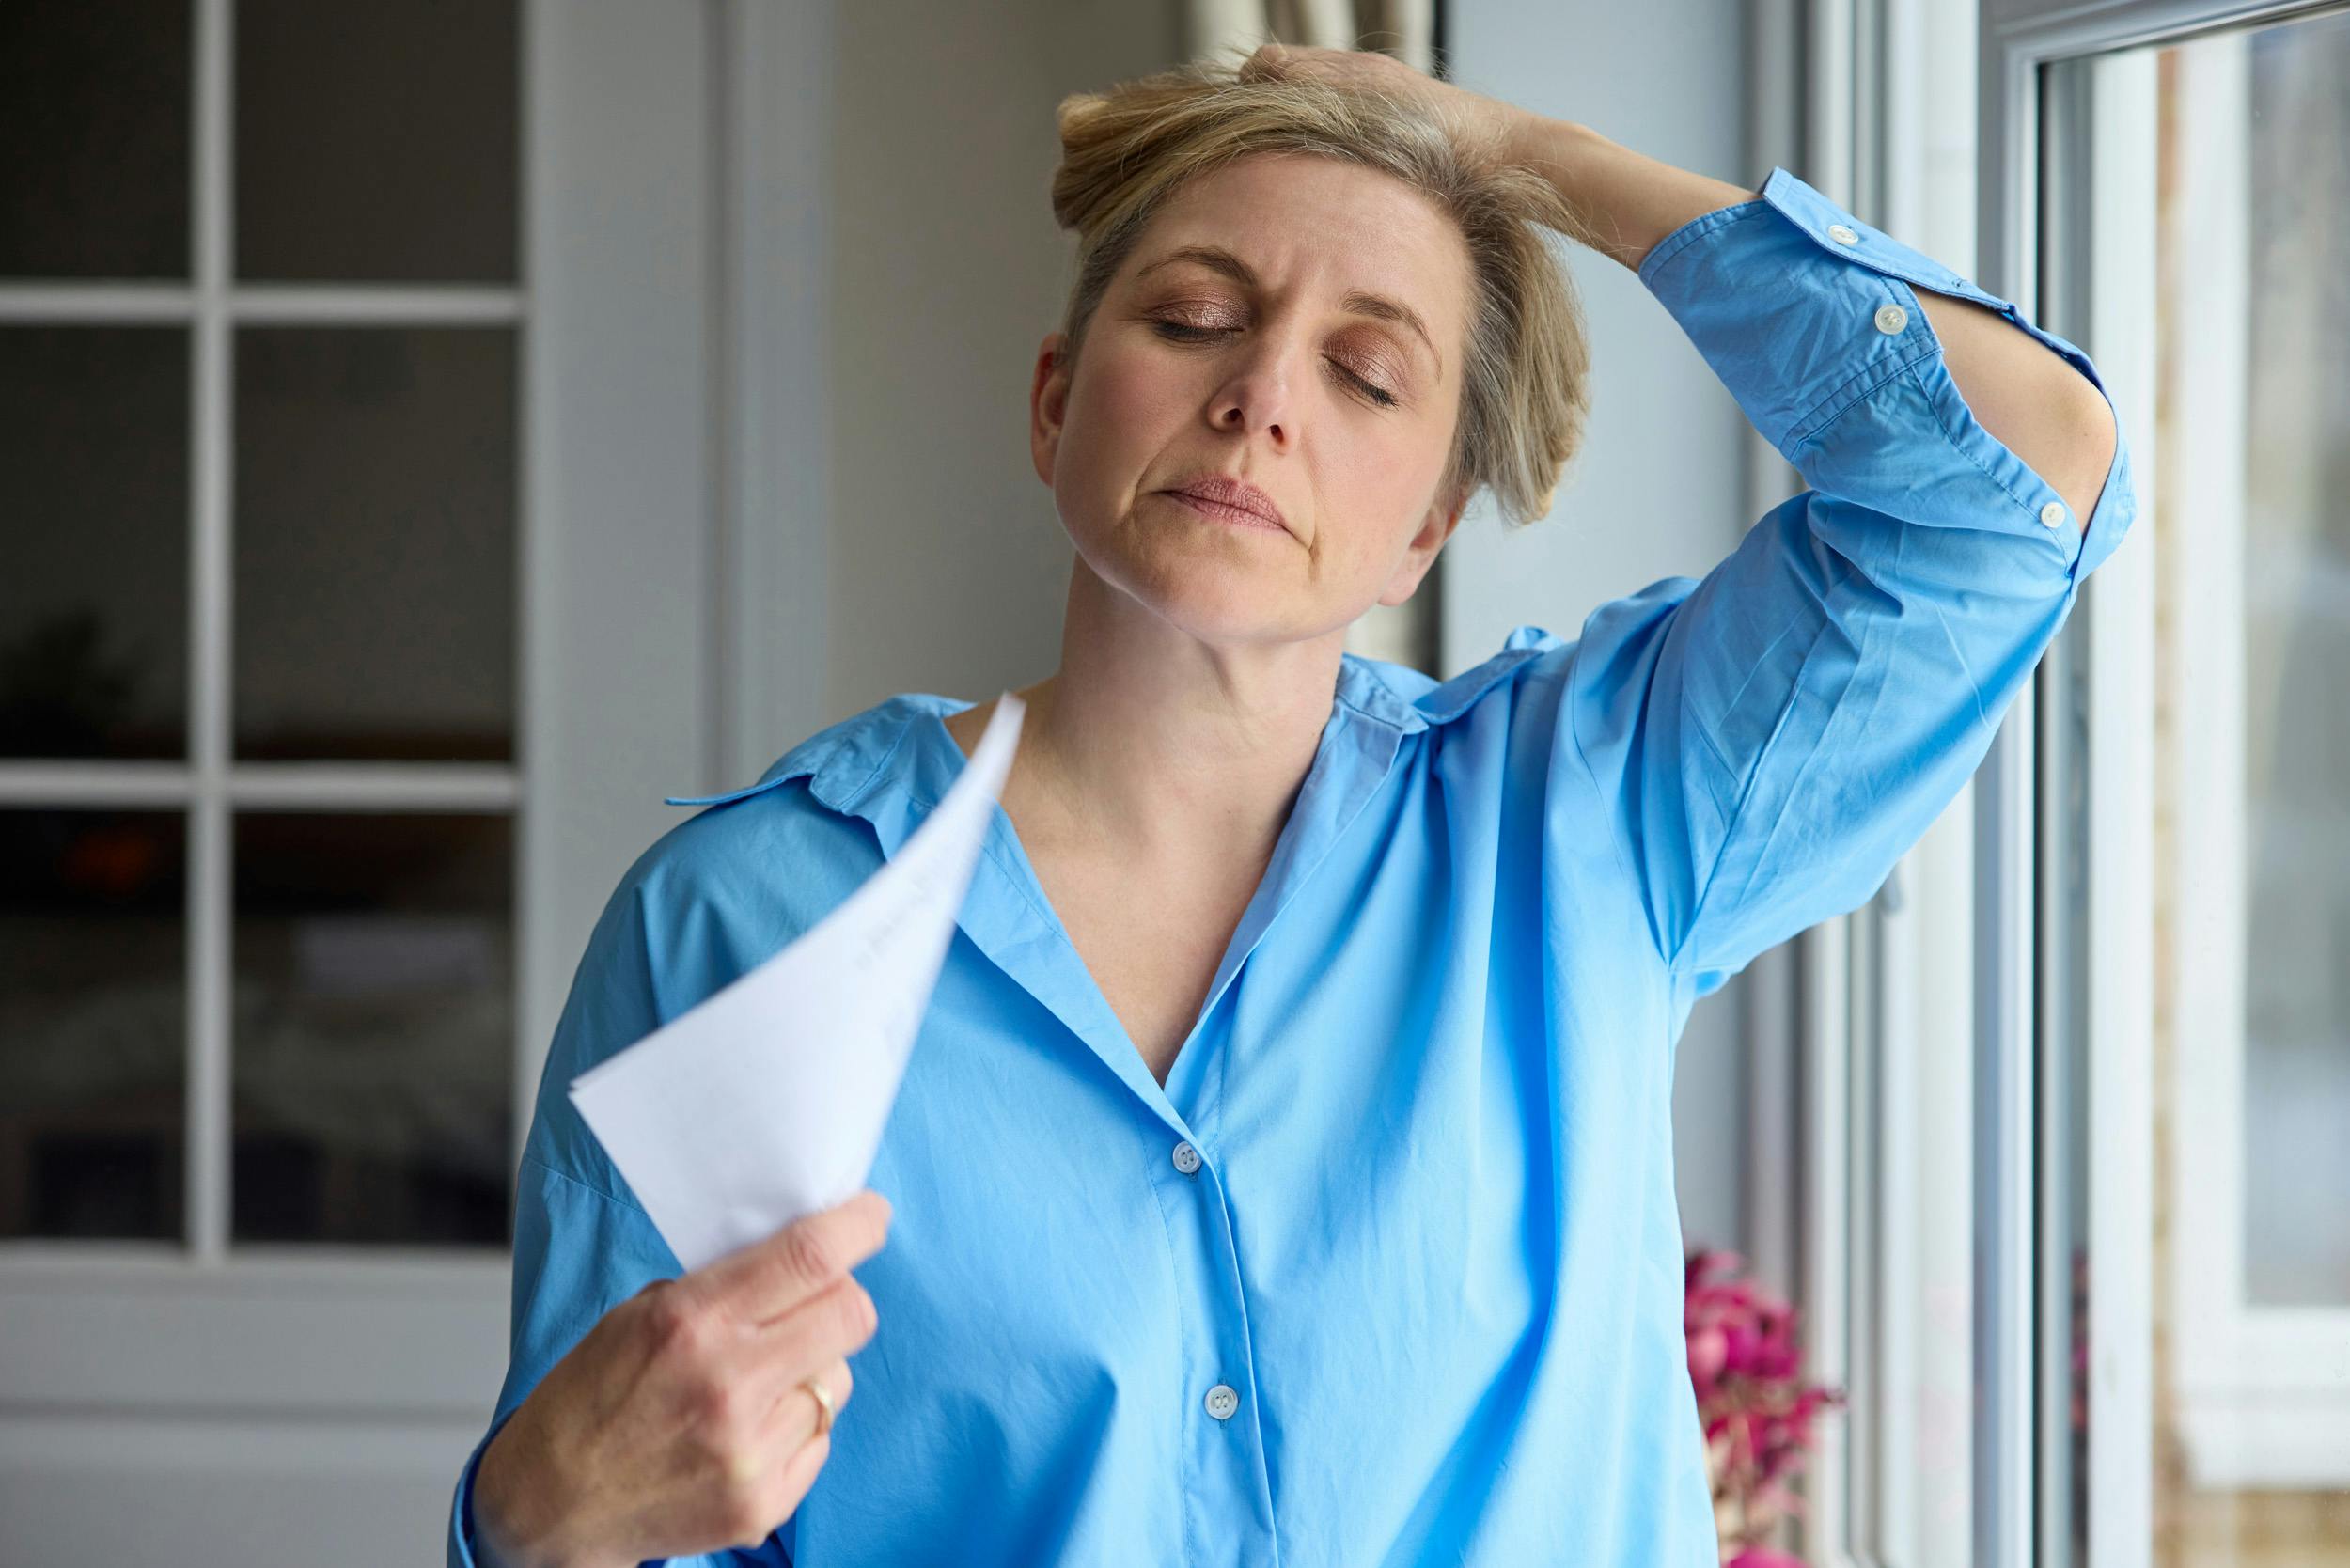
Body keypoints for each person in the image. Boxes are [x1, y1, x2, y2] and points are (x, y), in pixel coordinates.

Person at [451, 40, 2130, 1568]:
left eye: (1368, 372)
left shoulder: (1595, 823)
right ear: (1055, 402)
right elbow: (616, 1506)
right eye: (1192, 317)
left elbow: (2017, 477)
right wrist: (528, 1524)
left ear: (1431, 527)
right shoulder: (742, 920)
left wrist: (1519, 152)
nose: (1260, 394)